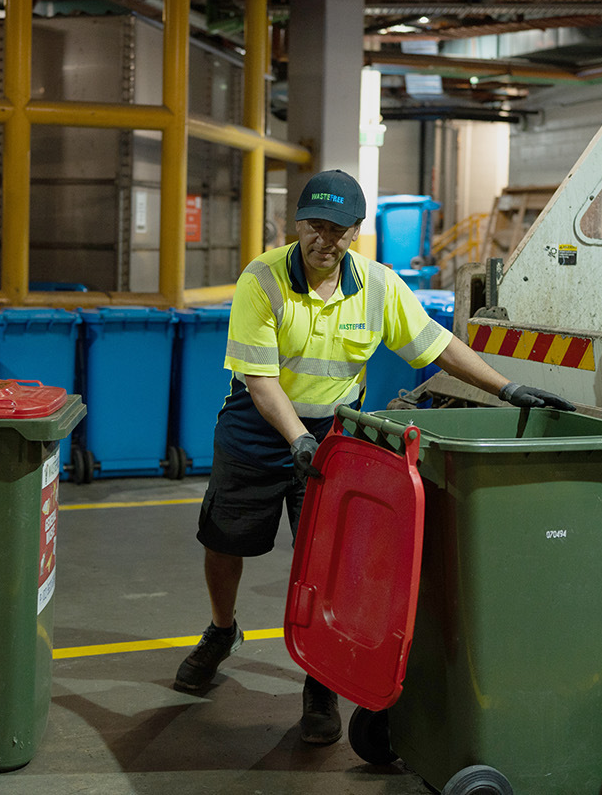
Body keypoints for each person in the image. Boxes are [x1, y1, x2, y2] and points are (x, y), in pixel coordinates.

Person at [173, 168, 573, 745]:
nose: (325, 239)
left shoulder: (380, 285)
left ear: (357, 232)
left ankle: (320, 679)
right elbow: (260, 382)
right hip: (260, 424)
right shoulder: (261, 281)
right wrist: (297, 441)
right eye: (315, 224)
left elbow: (437, 346)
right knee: (225, 539)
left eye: (339, 229)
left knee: (327, 560)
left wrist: (507, 388)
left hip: (334, 432)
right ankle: (221, 630)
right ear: (297, 224)